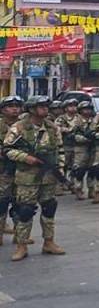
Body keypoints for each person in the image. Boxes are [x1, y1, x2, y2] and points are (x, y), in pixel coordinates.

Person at [5, 96, 66, 261]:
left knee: (49, 208)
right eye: (41, 107)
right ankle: (21, 245)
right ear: (32, 109)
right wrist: (26, 158)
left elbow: (60, 150)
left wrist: (60, 169)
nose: (45, 109)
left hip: (48, 176)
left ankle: (49, 242)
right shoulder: (19, 127)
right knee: (25, 211)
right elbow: (8, 149)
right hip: (27, 177)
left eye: (47, 107)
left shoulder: (53, 128)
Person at [0, 96, 25, 246]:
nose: (15, 108)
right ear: (3, 110)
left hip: (22, 169)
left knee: (20, 203)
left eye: (17, 106)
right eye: (10, 106)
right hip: (2, 170)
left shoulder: (25, 126)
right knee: (2, 202)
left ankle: (20, 234)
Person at [71, 101, 95, 200]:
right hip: (80, 147)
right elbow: (71, 134)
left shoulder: (94, 120)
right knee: (80, 169)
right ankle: (78, 189)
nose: (87, 111)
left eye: (89, 109)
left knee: (92, 169)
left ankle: (91, 189)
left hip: (93, 146)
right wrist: (82, 138)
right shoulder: (76, 120)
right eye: (85, 109)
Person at [55, 98, 79, 194]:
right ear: (65, 108)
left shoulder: (79, 118)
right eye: (70, 106)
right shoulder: (61, 118)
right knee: (62, 165)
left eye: (74, 106)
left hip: (77, 145)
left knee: (76, 166)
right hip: (65, 145)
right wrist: (67, 130)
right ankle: (60, 185)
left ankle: (73, 185)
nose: (73, 108)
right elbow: (56, 128)